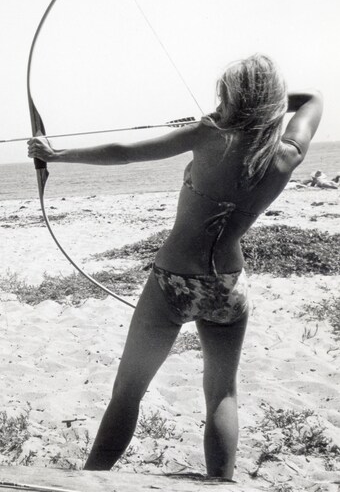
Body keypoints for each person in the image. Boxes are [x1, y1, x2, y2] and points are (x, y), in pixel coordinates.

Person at [27, 54, 323, 479]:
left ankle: (90, 478)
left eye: (226, 95)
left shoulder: (209, 134)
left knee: (128, 391)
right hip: (228, 286)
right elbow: (312, 98)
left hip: (173, 283)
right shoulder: (287, 153)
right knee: (222, 393)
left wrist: (56, 154)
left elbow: (124, 153)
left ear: (235, 98)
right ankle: (220, 483)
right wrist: (260, 108)